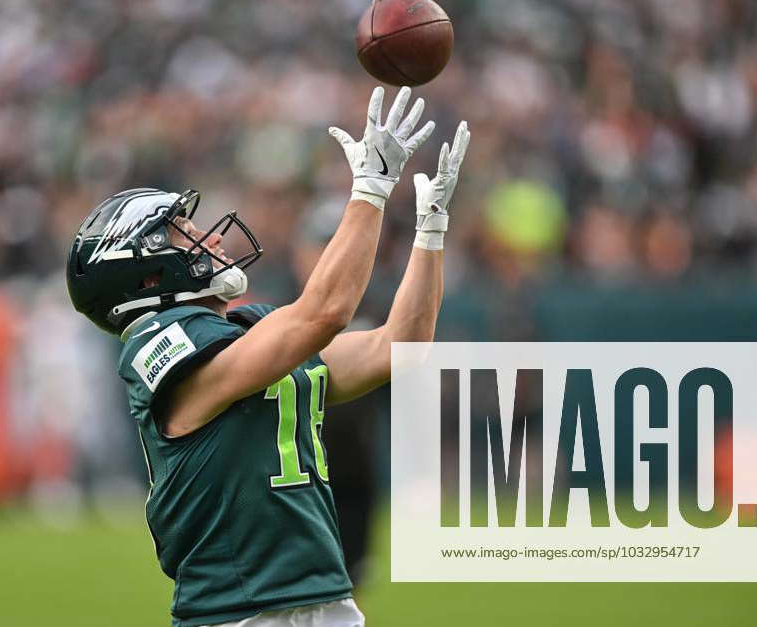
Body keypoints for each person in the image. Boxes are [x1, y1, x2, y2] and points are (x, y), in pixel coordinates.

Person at [66, 86, 470, 627]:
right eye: (179, 232)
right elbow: (324, 312)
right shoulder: (159, 347)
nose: (202, 238)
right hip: (238, 610)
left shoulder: (245, 331)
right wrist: (371, 189)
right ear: (145, 273)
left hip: (327, 598)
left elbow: (399, 346)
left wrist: (431, 230)